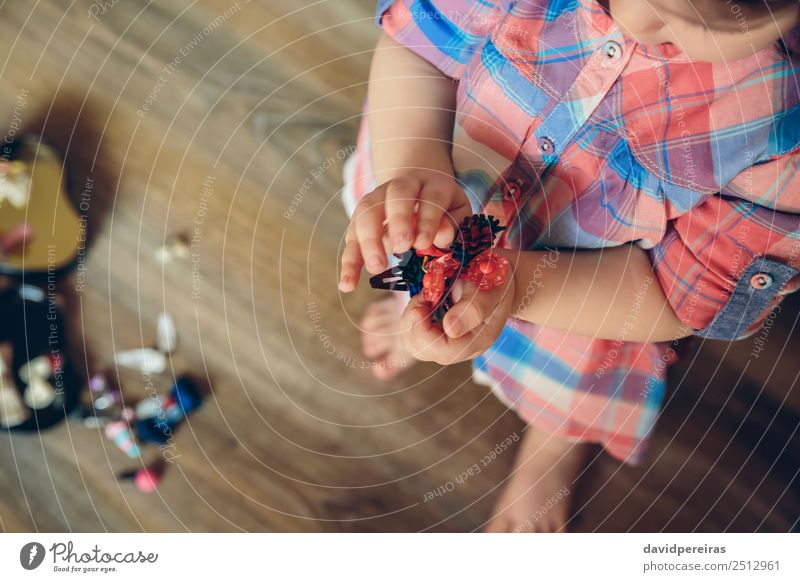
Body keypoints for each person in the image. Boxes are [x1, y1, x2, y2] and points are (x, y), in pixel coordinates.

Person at [338, 0, 800, 532]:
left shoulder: (779, 122)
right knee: (416, 260)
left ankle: (552, 443)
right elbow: (417, 46)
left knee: (571, 375)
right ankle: (414, 305)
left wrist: (518, 289)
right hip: (456, 176)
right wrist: (414, 164)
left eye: (691, 26)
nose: (638, 25)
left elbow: (678, 295)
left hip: (592, 289)